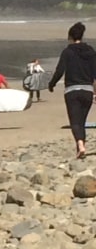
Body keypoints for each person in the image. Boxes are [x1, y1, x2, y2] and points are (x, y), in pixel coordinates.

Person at [49, 22, 96, 159]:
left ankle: (81, 146)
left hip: (72, 90)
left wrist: (51, 84)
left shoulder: (67, 51)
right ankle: (80, 148)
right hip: (87, 90)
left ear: (70, 36)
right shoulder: (91, 51)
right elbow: (95, 73)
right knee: (81, 121)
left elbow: (59, 71)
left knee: (75, 121)